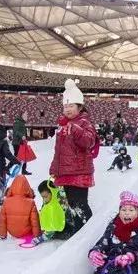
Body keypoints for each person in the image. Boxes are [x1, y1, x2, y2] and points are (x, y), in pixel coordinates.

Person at [50, 79, 97, 224]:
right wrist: (54, 168)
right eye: (65, 106)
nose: (67, 109)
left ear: (80, 107)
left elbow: (89, 142)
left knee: (80, 205)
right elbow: (59, 151)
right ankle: (78, 230)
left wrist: (76, 130)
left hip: (79, 172)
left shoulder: (84, 123)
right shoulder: (62, 126)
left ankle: (89, 230)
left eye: (71, 106)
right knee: (71, 205)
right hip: (65, 172)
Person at [32, 179, 86, 245]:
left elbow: (53, 223)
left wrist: (43, 237)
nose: (44, 199)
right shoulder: (47, 202)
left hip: (68, 228)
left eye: (45, 197)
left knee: (55, 234)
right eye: (42, 197)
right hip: (58, 226)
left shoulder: (61, 201)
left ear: (53, 192)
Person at [0, 175, 41, 241]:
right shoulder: (30, 202)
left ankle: (2, 236)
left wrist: (2, 235)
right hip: (26, 233)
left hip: (12, 232)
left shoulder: (6, 201)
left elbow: (2, 220)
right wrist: (37, 235)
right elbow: (35, 221)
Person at [12, 111, 31, 175]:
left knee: (25, 156)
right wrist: (22, 136)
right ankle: (9, 169)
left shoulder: (22, 123)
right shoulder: (17, 122)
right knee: (17, 157)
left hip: (22, 142)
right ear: (22, 115)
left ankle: (23, 170)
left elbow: (23, 132)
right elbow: (16, 131)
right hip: (17, 143)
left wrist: (25, 139)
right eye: (25, 115)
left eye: (27, 115)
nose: (27, 117)